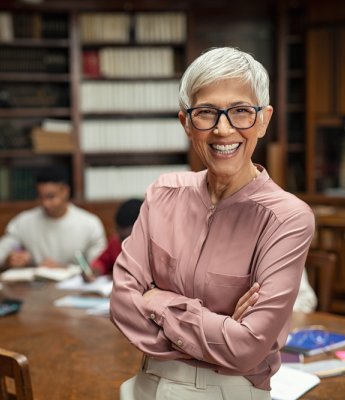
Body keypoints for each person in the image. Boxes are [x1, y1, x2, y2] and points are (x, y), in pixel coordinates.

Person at [110, 47, 315, 400]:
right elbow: (121, 305)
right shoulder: (162, 194)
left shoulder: (287, 218)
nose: (223, 129)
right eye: (206, 113)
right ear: (186, 122)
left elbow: (246, 348)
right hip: (144, 385)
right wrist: (218, 327)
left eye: (240, 112)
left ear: (264, 120)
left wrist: (157, 300)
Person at [0, 166, 106, 270]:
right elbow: (4, 250)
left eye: (51, 197)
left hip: (74, 286)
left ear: (65, 191)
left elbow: (98, 267)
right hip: (33, 286)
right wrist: (8, 260)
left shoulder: (90, 224)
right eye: (41, 197)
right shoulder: (23, 222)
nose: (45, 203)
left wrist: (63, 268)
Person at [91, 198, 143, 276]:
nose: (122, 243)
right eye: (120, 235)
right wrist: (96, 270)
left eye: (126, 238)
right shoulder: (116, 241)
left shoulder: (155, 248)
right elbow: (102, 261)